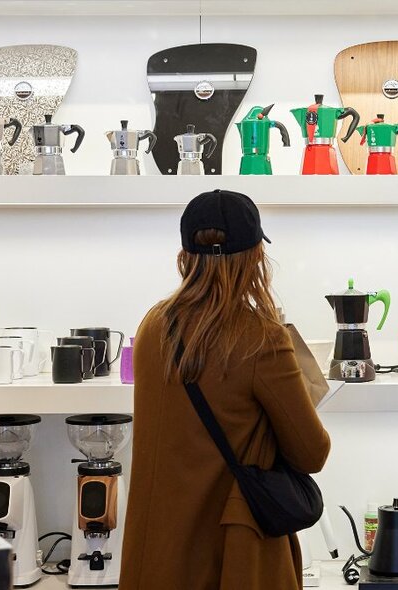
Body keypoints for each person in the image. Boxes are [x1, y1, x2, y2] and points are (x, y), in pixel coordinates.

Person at [120, 190, 331, 590]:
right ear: (255, 257)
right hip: (233, 554)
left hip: (160, 553)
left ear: (185, 256)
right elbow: (312, 453)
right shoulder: (260, 338)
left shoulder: (152, 327)